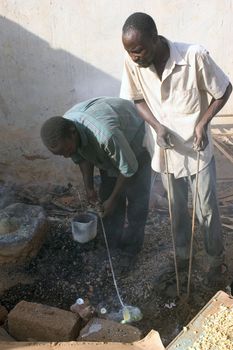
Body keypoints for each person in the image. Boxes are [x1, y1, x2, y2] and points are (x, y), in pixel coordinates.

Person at [120, 12, 232, 283]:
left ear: (155, 39)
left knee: (206, 210)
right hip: (166, 151)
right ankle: (182, 258)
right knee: (176, 211)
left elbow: (224, 89)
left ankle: (215, 262)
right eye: (130, 52)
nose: (135, 57)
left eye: (139, 50)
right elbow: (136, 99)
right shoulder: (132, 61)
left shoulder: (194, 56)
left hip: (197, 149)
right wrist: (157, 127)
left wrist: (203, 123)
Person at [40, 97, 151, 272]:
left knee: (137, 202)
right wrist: (89, 188)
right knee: (106, 200)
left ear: (73, 132)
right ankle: (112, 244)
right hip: (110, 152)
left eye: (65, 150)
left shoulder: (105, 134)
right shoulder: (66, 129)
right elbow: (81, 156)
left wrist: (113, 198)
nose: (66, 156)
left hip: (135, 143)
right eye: (60, 154)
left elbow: (129, 169)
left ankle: (131, 250)